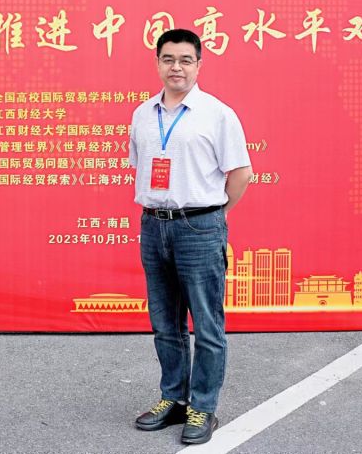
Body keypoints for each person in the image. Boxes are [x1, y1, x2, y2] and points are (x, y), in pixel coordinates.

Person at [129, 28, 253, 445]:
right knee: (165, 323)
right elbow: (142, 167)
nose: (176, 67)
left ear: (199, 64)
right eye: (168, 59)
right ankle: (174, 398)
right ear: (157, 63)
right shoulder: (142, 114)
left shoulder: (217, 114)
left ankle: (203, 405)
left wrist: (214, 216)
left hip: (199, 226)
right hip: (153, 225)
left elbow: (241, 174)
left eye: (185, 60)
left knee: (207, 324)